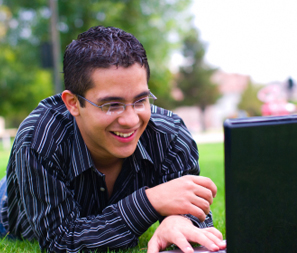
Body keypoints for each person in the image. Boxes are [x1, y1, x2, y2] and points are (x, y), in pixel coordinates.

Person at [0, 26, 226, 253]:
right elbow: (60, 241)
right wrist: (149, 201)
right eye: (111, 105)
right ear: (73, 103)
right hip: (10, 205)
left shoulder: (170, 136)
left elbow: (193, 210)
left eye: (140, 100)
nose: (130, 120)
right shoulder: (39, 139)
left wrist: (180, 220)